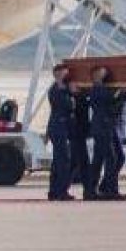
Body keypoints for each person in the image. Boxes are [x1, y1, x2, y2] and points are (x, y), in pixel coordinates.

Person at [87, 66, 126, 200]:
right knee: (112, 158)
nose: (104, 74)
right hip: (103, 127)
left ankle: (95, 189)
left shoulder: (104, 88)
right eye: (100, 72)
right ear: (95, 76)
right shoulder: (97, 89)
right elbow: (109, 100)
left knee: (106, 159)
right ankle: (110, 190)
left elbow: (113, 102)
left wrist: (122, 94)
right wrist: (120, 93)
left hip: (110, 127)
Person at [45, 63, 75, 201]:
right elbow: (67, 106)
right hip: (58, 127)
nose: (67, 75)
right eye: (64, 73)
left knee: (58, 160)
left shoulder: (58, 89)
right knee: (63, 160)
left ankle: (54, 191)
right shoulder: (57, 90)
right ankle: (61, 191)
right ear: (57, 74)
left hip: (58, 127)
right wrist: (70, 93)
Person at [70, 83, 91, 189]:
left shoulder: (79, 96)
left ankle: (83, 182)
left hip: (80, 131)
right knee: (79, 159)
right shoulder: (72, 98)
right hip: (76, 131)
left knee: (79, 159)